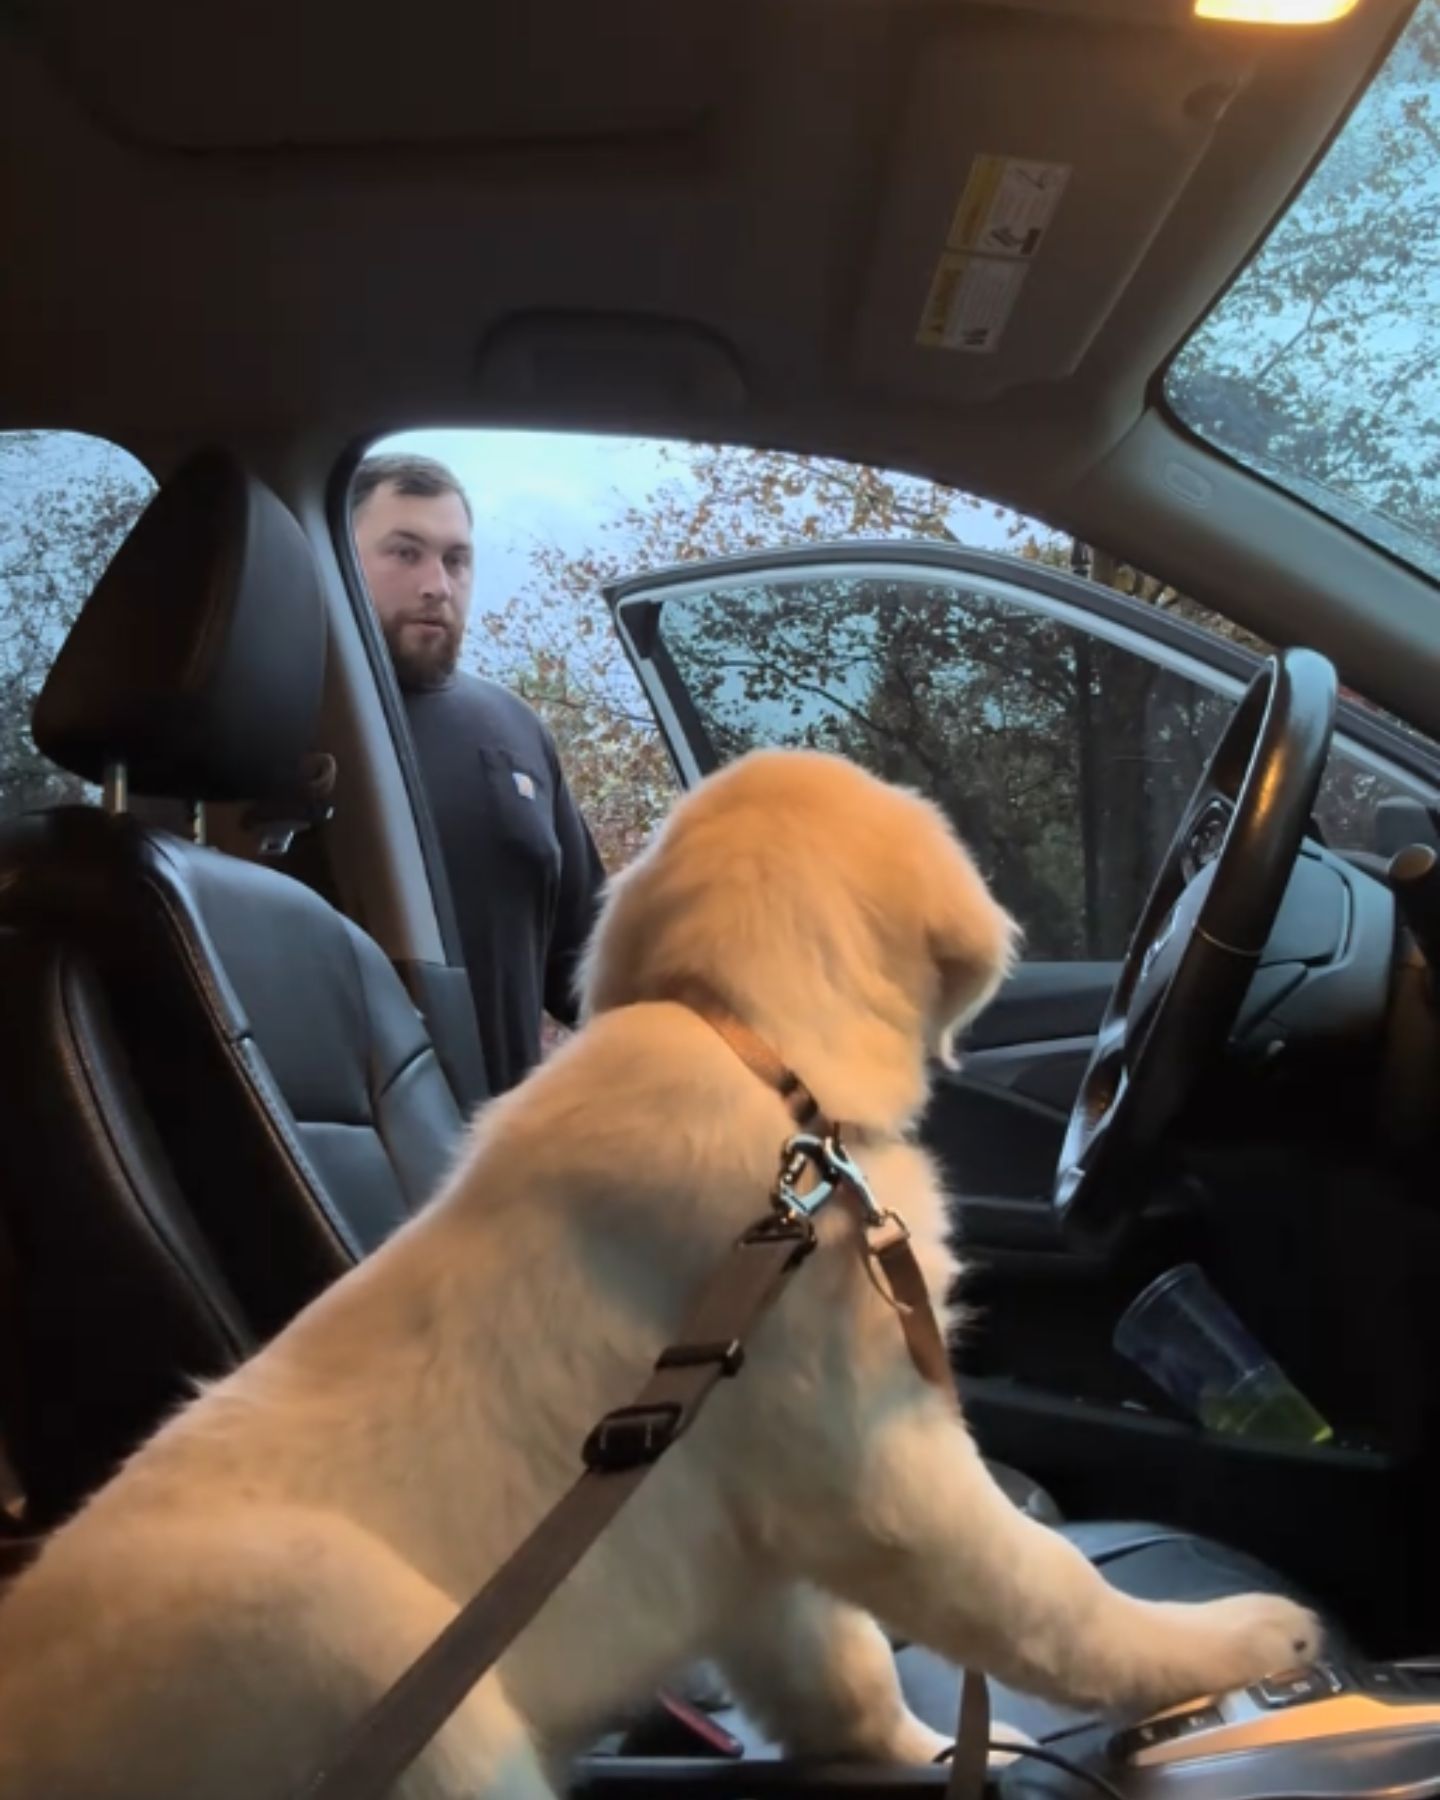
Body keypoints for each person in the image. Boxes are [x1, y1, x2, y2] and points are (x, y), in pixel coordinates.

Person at [351, 453, 605, 1094]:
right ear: (339, 558)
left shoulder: (514, 731)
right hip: (321, 1141)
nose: (437, 584)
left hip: (497, 1144)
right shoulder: (276, 726)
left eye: (456, 560)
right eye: (405, 553)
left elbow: (588, 965)